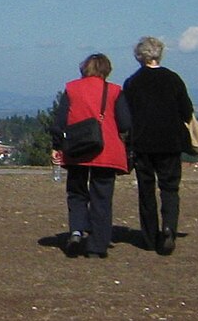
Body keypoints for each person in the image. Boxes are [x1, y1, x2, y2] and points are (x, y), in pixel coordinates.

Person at [51, 53, 131, 258]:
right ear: (106, 70)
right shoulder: (114, 91)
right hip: (106, 149)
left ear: (84, 69)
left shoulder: (72, 89)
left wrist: (57, 145)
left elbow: (59, 122)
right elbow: (125, 123)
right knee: (102, 198)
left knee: (76, 192)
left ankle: (77, 229)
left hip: (78, 148)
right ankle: (97, 245)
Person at [123, 35, 195, 256]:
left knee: (146, 190)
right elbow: (186, 110)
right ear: (159, 53)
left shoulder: (132, 82)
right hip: (170, 141)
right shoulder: (173, 79)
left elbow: (126, 117)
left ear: (139, 56)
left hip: (143, 142)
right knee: (170, 188)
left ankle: (149, 236)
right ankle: (168, 228)